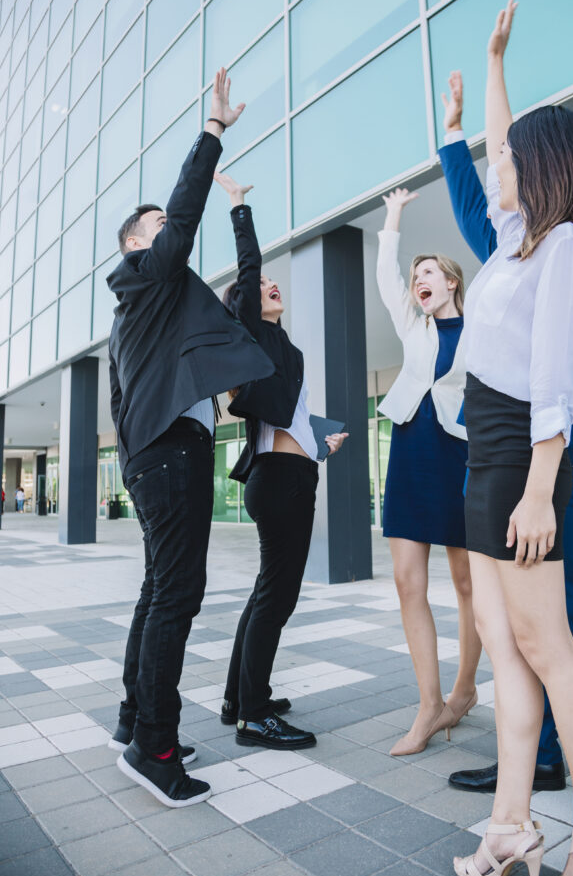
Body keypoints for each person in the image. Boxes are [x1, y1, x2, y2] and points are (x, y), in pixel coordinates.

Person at [449, 1, 573, 876]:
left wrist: (537, 493)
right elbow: (493, 145)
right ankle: (512, 826)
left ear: (547, 166)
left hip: (521, 458)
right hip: (478, 460)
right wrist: (492, 61)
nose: (502, 165)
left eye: (516, 156)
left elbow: (558, 383)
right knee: (507, 656)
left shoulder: (561, 249)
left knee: (552, 651)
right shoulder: (512, 244)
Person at [107, 70, 274, 807]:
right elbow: (180, 215)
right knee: (177, 594)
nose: (173, 234)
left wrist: (243, 218)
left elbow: (241, 294)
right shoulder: (147, 276)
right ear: (142, 242)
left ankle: (133, 721)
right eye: (160, 227)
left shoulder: (146, 312)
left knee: (158, 592)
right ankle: (155, 747)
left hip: (154, 453)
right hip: (168, 451)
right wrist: (212, 131)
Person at [215, 169, 348, 750]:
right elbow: (246, 276)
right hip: (280, 481)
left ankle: (239, 699)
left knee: (268, 591)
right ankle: (253, 717)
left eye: (273, 282)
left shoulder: (284, 350)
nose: (270, 284)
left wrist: (322, 439)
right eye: (262, 284)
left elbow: (286, 418)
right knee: (278, 594)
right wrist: (240, 208)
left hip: (291, 470)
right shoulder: (254, 337)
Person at [376, 189, 480, 756]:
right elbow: (384, 273)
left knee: (468, 584)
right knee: (406, 582)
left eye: (431, 272)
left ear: (453, 283)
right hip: (412, 450)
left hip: (461, 453)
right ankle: (428, 705)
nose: (420, 279)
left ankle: (464, 693)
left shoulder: (478, 327)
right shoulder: (412, 327)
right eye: (417, 273)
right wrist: (394, 216)